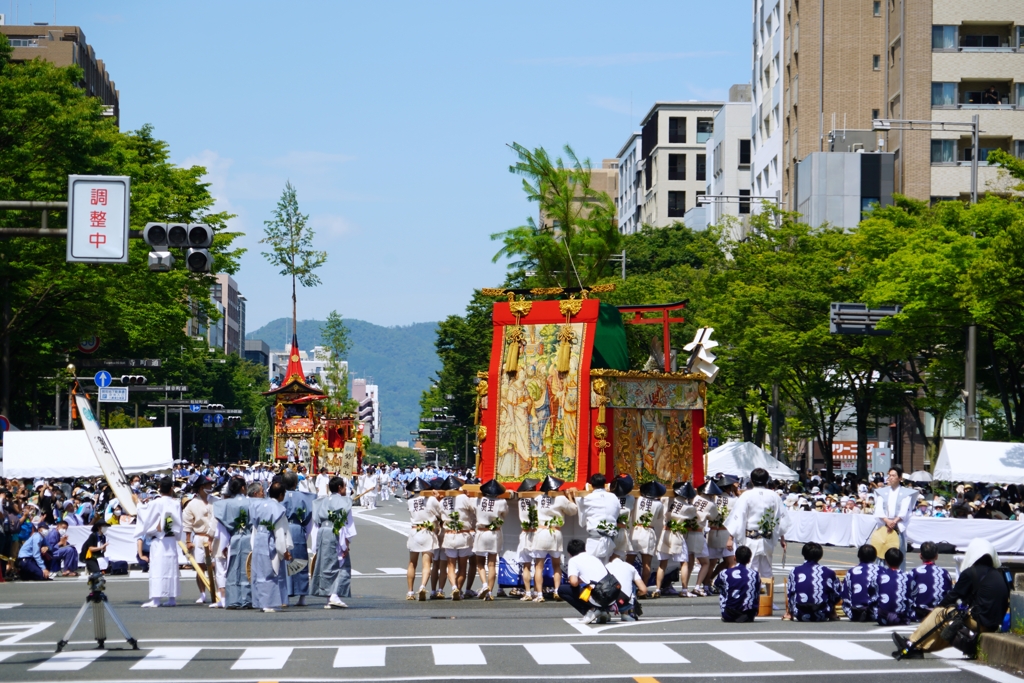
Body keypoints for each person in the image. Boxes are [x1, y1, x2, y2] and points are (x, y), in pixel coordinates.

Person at [893, 538, 1010, 659]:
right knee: (948, 624)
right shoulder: (996, 573)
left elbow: (953, 596)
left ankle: (911, 644)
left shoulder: (971, 573)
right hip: (994, 624)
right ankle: (916, 647)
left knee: (941, 614)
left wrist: (937, 609)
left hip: (980, 622)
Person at [724, 468, 789, 579]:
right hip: (767, 538)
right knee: (767, 570)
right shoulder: (774, 496)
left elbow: (739, 517)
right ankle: (769, 595)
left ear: (751, 480)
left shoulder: (746, 495)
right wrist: (782, 537)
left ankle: (751, 594)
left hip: (750, 537)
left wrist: (730, 538)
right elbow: (780, 518)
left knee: (750, 569)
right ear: (767, 480)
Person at [311, 476, 357, 608]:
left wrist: (314, 545)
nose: (345, 489)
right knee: (341, 564)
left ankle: (328, 596)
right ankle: (334, 595)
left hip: (322, 532)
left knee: (325, 564)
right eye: (344, 486)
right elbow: (348, 525)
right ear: (339, 488)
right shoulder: (344, 502)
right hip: (336, 532)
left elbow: (316, 524)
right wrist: (346, 544)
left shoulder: (321, 502)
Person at [530, 476, 578, 602]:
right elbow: (573, 510)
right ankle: (557, 591)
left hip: (541, 532)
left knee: (538, 566)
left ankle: (539, 594)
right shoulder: (561, 498)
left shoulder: (539, 498)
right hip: (555, 533)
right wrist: (570, 497)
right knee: (556, 564)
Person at [250, 481, 293, 613]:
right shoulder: (277, 509)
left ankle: (260, 601)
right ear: (281, 495)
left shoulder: (259, 505)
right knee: (271, 571)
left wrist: (253, 545)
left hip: (258, 539)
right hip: (270, 540)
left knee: (259, 571)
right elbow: (279, 532)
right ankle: (268, 603)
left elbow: (255, 528)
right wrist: (284, 550)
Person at [140, 477, 181, 608]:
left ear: (160, 488)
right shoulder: (176, 502)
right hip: (171, 538)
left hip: (159, 539)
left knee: (158, 569)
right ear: (171, 489)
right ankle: (171, 597)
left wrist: (138, 504)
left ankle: (156, 599)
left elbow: (145, 518)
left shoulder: (156, 503)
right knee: (171, 568)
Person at [213, 478, 252, 609]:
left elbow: (223, 528)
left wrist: (223, 545)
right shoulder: (252, 502)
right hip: (249, 537)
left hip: (234, 537)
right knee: (248, 568)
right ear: (242, 488)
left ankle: (234, 599)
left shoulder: (225, 504)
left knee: (234, 568)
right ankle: (248, 598)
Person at [656, 481, 696, 598]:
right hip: (677, 534)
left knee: (662, 564)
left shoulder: (666, 500)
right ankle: (684, 589)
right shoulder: (689, 507)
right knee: (684, 563)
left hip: (665, 532)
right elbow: (693, 516)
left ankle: (658, 589)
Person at [282, 471, 316, 606]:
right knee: (300, 561)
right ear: (296, 483)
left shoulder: (279, 496)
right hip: (297, 528)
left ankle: (285, 595)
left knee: (284, 562)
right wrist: (304, 530)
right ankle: (302, 597)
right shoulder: (304, 497)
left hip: (283, 528)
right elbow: (309, 517)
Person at [557, 538, 611, 624]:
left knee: (562, 590)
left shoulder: (573, 560)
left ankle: (591, 610)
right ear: (584, 549)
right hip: (611, 595)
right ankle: (603, 611)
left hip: (597, 595)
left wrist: (577, 581)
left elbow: (574, 583)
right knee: (591, 587)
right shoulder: (594, 558)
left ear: (570, 553)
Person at [439, 475, 476, 600]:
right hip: (463, 534)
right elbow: (473, 509)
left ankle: (454, 587)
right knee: (462, 566)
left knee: (451, 565)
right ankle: (459, 590)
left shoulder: (443, 500)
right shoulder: (463, 497)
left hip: (449, 535)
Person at [183, 475, 217, 604]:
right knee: (200, 567)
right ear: (202, 487)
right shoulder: (192, 504)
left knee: (215, 566)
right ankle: (202, 593)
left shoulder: (216, 501)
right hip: (199, 536)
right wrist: (188, 540)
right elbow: (187, 523)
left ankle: (218, 591)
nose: (211, 487)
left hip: (214, 537)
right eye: (208, 485)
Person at [406, 477, 442, 601]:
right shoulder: (431, 500)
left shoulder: (410, 501)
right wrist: (438, 498)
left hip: (414, 531)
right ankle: (422, 586)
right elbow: (440, 513)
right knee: (426, 564)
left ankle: (410, 592)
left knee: (412, 563)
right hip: (428, 531)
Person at [784, 542, 839, 622]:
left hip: (800, 614)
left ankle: (789, 614)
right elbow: (837, 593)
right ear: (820, 556)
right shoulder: (828, 572)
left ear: (803, 554)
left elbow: (790, 593)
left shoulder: (794, 571)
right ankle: (832, 613)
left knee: (791, 589)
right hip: (822, 614)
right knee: (832, 589)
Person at [873, 466, 915, 570]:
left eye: (893, 475)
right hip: (885, 525)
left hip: (897, 526)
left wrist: (894, 521)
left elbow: (904, 511)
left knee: (897, 552)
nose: (890, 478)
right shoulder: (882, 492)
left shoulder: (906, 493)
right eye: (889, 475)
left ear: (900, 478)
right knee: (882, 551)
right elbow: (878, 509)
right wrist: (887, 521)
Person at [473, 479, 508, 601]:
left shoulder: (478, 500)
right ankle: (490, 591)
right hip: (494, 532)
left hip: (481, 533)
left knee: (480, 563)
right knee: (492, 564)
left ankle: (484, 585)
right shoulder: (502, 502)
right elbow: (504, 514)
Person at [577, 473, 620, 562]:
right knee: (605, 566)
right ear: (604, 484)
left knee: (592, 567)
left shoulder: (587, 498)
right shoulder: (614, 497)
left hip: (595, 538)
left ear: (591, 485)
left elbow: (582, 523)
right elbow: (617, 513)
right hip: (610, 538)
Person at [631, 481, 666, 591]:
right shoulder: (659, 504)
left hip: (636, 530)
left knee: (629, 562)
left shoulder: (637, 499)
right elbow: (660, 517)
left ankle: (627, 587)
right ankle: (643, 588)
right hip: (648, 531)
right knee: (647, 564)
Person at [713, 545, 760, 623]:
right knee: (754, 587)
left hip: (729, 614)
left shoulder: (724, 572)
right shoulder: (754, 574)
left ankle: (726, 610)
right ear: (749, 560)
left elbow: (716, 585)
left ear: (734, 558)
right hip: (749, 614)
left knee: (722, 588)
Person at [911, 541, 952, 619]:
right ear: (936, 556)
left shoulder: (913, 573)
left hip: (918, 613)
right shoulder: (944, 573)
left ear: (920, 556)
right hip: (939, 613)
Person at [514, 478, 540, 601]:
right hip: (535, 533)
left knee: (526, 566)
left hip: (525, 533)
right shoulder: (536, 500)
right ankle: (537, 592)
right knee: (538, 566)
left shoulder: (520, 500)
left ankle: (528, 592)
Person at [877, 548, 917, 626]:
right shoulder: (908, 577)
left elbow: (873, 594)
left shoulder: (879, 577)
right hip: (903, 617)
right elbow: (915, 596)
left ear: (886, 561)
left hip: (883, 618)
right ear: (901, 561)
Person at [841, 545, 880, 622]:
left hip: (854, 612)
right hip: (876, 612)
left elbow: (844, 592)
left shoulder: (851, 571)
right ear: (875, 557)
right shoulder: (881, 570)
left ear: (859, 556)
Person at [606, 551, 647, 621]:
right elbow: (643, 590)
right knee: (633, 585)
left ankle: (605, 613)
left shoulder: (606, 567)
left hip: (608, 604)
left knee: (605, 585)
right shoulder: (630, 567)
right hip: (624, 603)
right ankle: (626, 613)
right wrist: (636, 595)